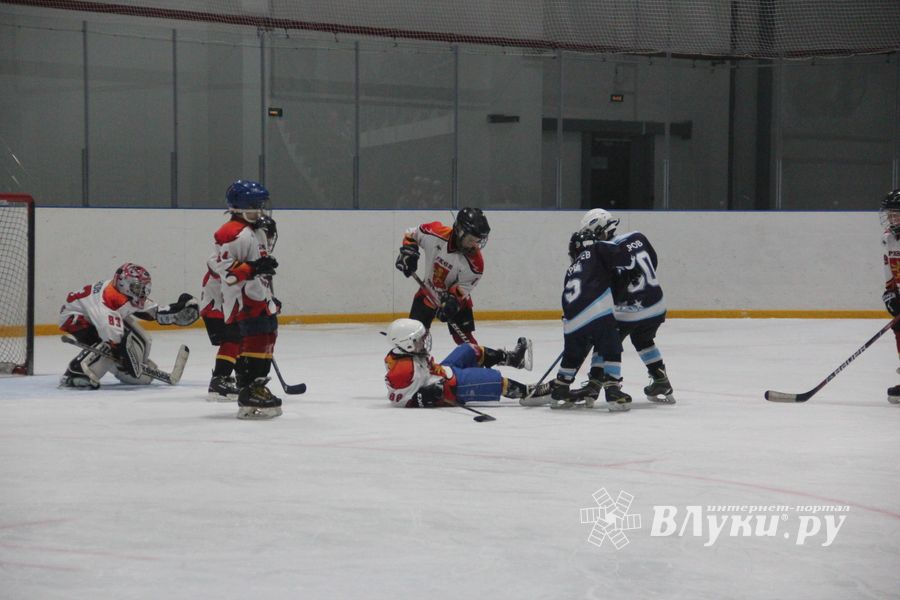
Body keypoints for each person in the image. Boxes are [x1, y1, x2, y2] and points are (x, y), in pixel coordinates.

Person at [576, 209, 675, 404]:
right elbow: (653, 262)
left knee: (604, 340)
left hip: (630, 309)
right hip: (657, 303)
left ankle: (594, 384)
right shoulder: (638, 236)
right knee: (643, 339)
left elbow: (612, 283)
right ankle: (661, 380)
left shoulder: (605, 250)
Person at [205, 179, 282, 419]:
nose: (260, 210)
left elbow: (258, 264)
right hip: (244, 301)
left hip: (259, 296)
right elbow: (227, 274)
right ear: (240, 207)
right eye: (255, 205)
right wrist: (254, 268)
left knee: (269, 334)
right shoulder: (234, 234)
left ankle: (257, 384)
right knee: (255, 338)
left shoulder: (254, 230)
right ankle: (249, 388)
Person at [58, 263, 199, 389]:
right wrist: (126, 359)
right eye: (137, 288)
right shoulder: (108, 301)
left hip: (92, 312)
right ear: (123, 284)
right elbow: (113, 338)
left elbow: (153, 311)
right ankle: (76, 372)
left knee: (143, 340)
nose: (141, 292)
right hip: (74, 317)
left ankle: (122, 368)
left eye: (144, 288)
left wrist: (178, 311)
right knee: (109, 344)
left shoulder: (125, 292)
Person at [547, 229, 636, 411]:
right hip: (597, 311)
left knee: (573, 354)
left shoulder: (570, 270)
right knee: (611, 346)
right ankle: (612, 388)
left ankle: (560, 388)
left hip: (571, 320)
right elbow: (624, 258)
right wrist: (629, 271)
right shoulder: (597, 248)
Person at [383, 318, 547, 408]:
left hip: (441, 372)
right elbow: (397, 399)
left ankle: (513, 359)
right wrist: (421, 398)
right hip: (450, 387)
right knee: (493, 379)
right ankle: (530, 392)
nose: (424, 341)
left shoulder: (401, 353)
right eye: (419, 339)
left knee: (469, 349)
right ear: (407, 343)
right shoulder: (403, 370)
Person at [394, 207, 491, 345]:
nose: (474, 245)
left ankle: (498, 359)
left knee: (464, 341)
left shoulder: (476, 264)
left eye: (477, 240)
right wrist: (409, 252)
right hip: (427, 292)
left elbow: (461, 289)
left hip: (458, 303)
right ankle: (418, 365)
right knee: (413, 337)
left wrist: (452, 303)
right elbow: (411, 233)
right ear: (459, 230)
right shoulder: (436, 233)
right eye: (470, 239)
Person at [879, 188, 900, 404]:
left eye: (897, 214)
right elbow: (889, 272)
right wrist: (890, 295)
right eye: (890, 214)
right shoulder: (889, 239)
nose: (892, 219)